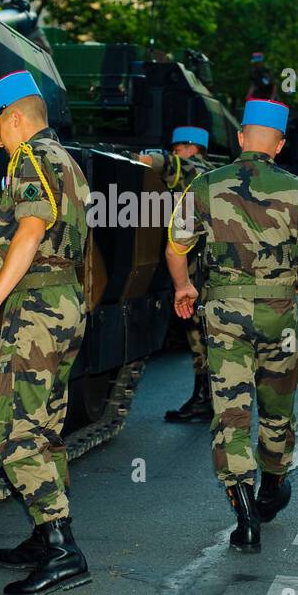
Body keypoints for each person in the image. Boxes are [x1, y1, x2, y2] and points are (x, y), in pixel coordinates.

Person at [166, 98, 298, 552]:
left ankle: (244, 516)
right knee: (277, 409)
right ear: (278, 145)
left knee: (232, 412)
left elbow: (176, 248)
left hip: (224, 313)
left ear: (240, 138)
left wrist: (184, 288)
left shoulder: (203, 185)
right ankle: (272, 486)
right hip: (279, 315)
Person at [0, 70, 91, 595]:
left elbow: (32, 233)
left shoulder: (30, 159)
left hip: (36, 311)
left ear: (17, 119)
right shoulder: (66, 162)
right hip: (63, 302)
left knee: (17, 434)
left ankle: (63, 551)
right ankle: (45, 535)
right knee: (45, 426)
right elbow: (34, 241)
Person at [135, 126, 215, 422]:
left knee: (197, 334)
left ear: (191, 148)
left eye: (177, 147)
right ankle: (215, 396)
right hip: (215, 267)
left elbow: (153, 161)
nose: (174, 152)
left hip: (193, 268)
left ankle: (204, 398)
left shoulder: (188, 166)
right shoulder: (216, 172)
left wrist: (137, 157)